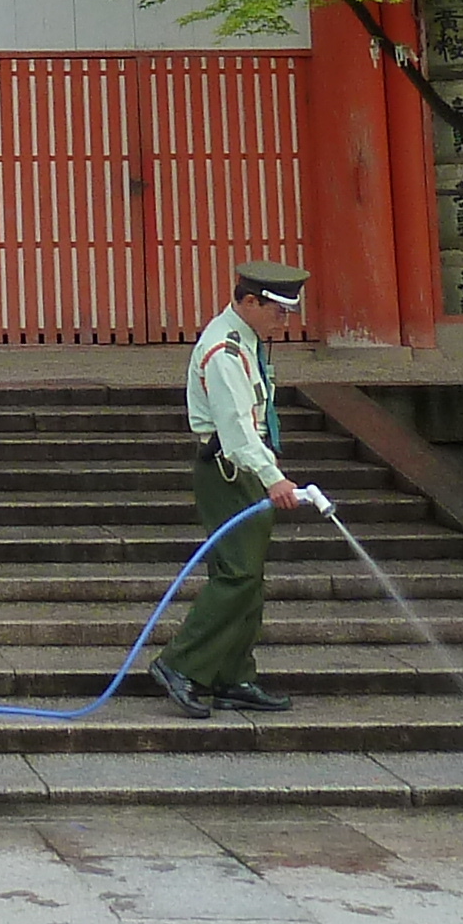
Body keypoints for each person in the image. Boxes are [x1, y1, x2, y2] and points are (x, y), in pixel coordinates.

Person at [151, 264, 311, 719]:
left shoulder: (248, 342)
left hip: (244, 466)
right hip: (229, 469)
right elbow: (237, 428)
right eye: (276, 312)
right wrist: (271, 476)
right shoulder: (225, 350)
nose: (283, 322)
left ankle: (233, 675)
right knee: (237, 574)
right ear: (248, 302)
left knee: (249, 578)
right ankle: (179, 664)